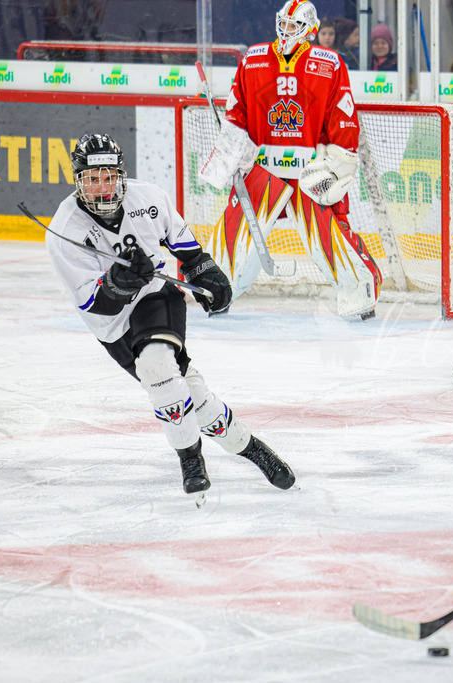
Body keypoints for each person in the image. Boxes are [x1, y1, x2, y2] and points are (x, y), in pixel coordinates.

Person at [45, 133, 296, 499]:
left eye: (109, 177)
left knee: (157, 367)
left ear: (121, 175)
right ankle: (254, 449)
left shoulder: (149, 199)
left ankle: (190, 461)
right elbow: (96, 304)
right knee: (191, 397)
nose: (102, 187)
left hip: (156, 297)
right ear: (78, 180)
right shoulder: (65, 230)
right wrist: (118, 283)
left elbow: (188, 252)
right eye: (92, 179)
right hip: (113, 326)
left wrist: (207, 274)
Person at [199, 0, 382, 320]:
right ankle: (219, 288)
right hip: (262, 167)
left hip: (309, 170)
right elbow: (236, 112)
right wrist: (232, 154)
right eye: (282, 23)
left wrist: (339, 162)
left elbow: (342, 114)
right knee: (236, 232)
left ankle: (360, 288)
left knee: (326, 237)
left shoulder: (329, 62)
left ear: (309, 29)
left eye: (293, 25)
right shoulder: (253, 59)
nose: (285, 30)